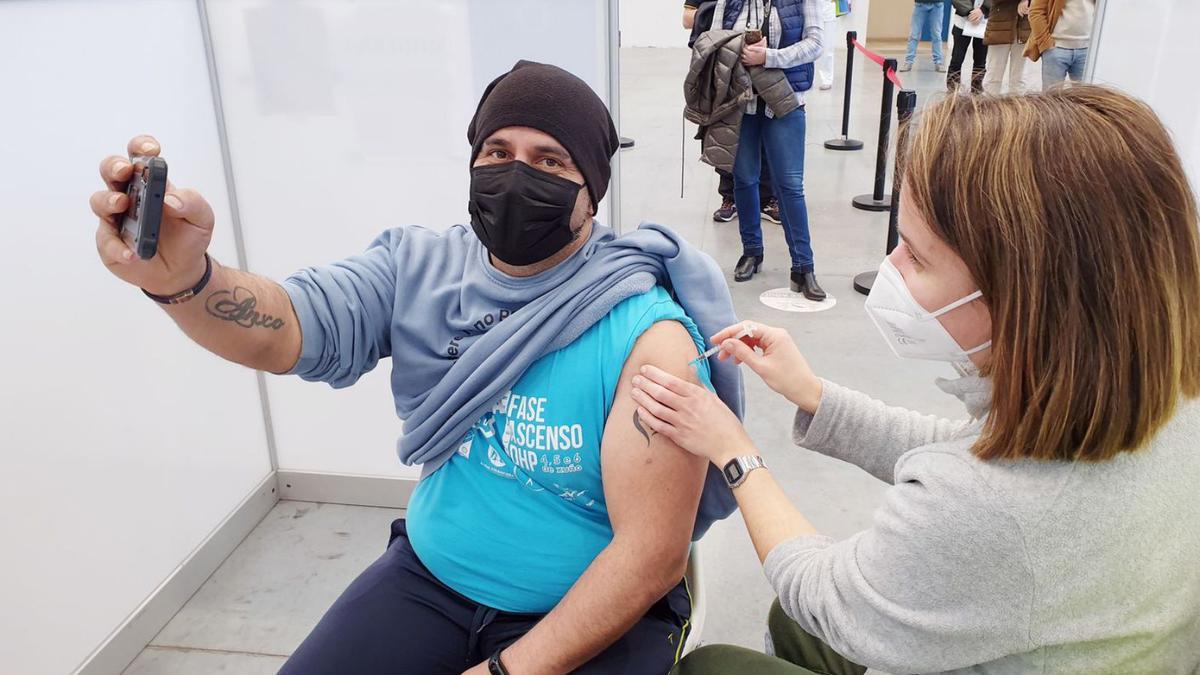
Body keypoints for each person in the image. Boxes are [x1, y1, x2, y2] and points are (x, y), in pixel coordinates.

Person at [88, 61, 747, 674]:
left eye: (550, 160)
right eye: (497, 153)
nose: (517, 176)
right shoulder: (421, 270)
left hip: (588, 610)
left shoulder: (644, 334)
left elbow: (650, 557)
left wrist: (505, 670)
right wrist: (188, 282)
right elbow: (284, 325)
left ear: (592, 192)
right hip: (431, 577)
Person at [635, 87, 1200, 673]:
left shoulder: (985, 513)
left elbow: (832, 594)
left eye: (915, 254)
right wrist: (814, 395)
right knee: (788, 621)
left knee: (714, 667)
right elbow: (975, 453)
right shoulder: (1160, 399)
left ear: (1022, 291)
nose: (889, 269)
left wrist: (736, 454)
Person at [719, 0, 827, 301]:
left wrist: (769, 56)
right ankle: (751, 252)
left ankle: (803, 267)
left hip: (786, 100)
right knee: (744, 178)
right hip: (740, 102)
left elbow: (816, 43)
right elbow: (714, 38)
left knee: (790, 185)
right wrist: (738, 50)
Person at [685, 0, 783, 224]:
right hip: (724, 63)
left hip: (766, 64)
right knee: (725, 130)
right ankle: (729, 196)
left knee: (766, 132)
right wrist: (717, 8)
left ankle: (768, 198)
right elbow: (687, 18)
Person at [1025, 0, 1096, 87]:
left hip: (1087, 49)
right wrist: (1046, 43)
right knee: (1052, 98)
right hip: (1056, 49)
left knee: (1087, 98)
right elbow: (1036, 12)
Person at [983, 0, 1032, 94]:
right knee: (994, 75)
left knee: (1019, 77)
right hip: (999, 27)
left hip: (1023, 28)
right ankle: (990, 106)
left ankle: (1017, 107)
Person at [947, 0, 988, 93]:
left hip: (984, 23)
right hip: (962, 22)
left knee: (980, 62)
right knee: (956, 60)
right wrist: (970, 12)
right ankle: (952, 91)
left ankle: (977, 91)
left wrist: (982, 10)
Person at [901, 0, 946, 73]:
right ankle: (908, 61)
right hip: (920, 4)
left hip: (937, 5)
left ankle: (938, 62)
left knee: (936, 34)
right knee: (914, 34)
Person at [814, 0, 838, 90]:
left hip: (828, 14)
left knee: (828, 50)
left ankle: (827, 79)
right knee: (808, 48)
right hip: (811, 14)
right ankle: (809, 77)